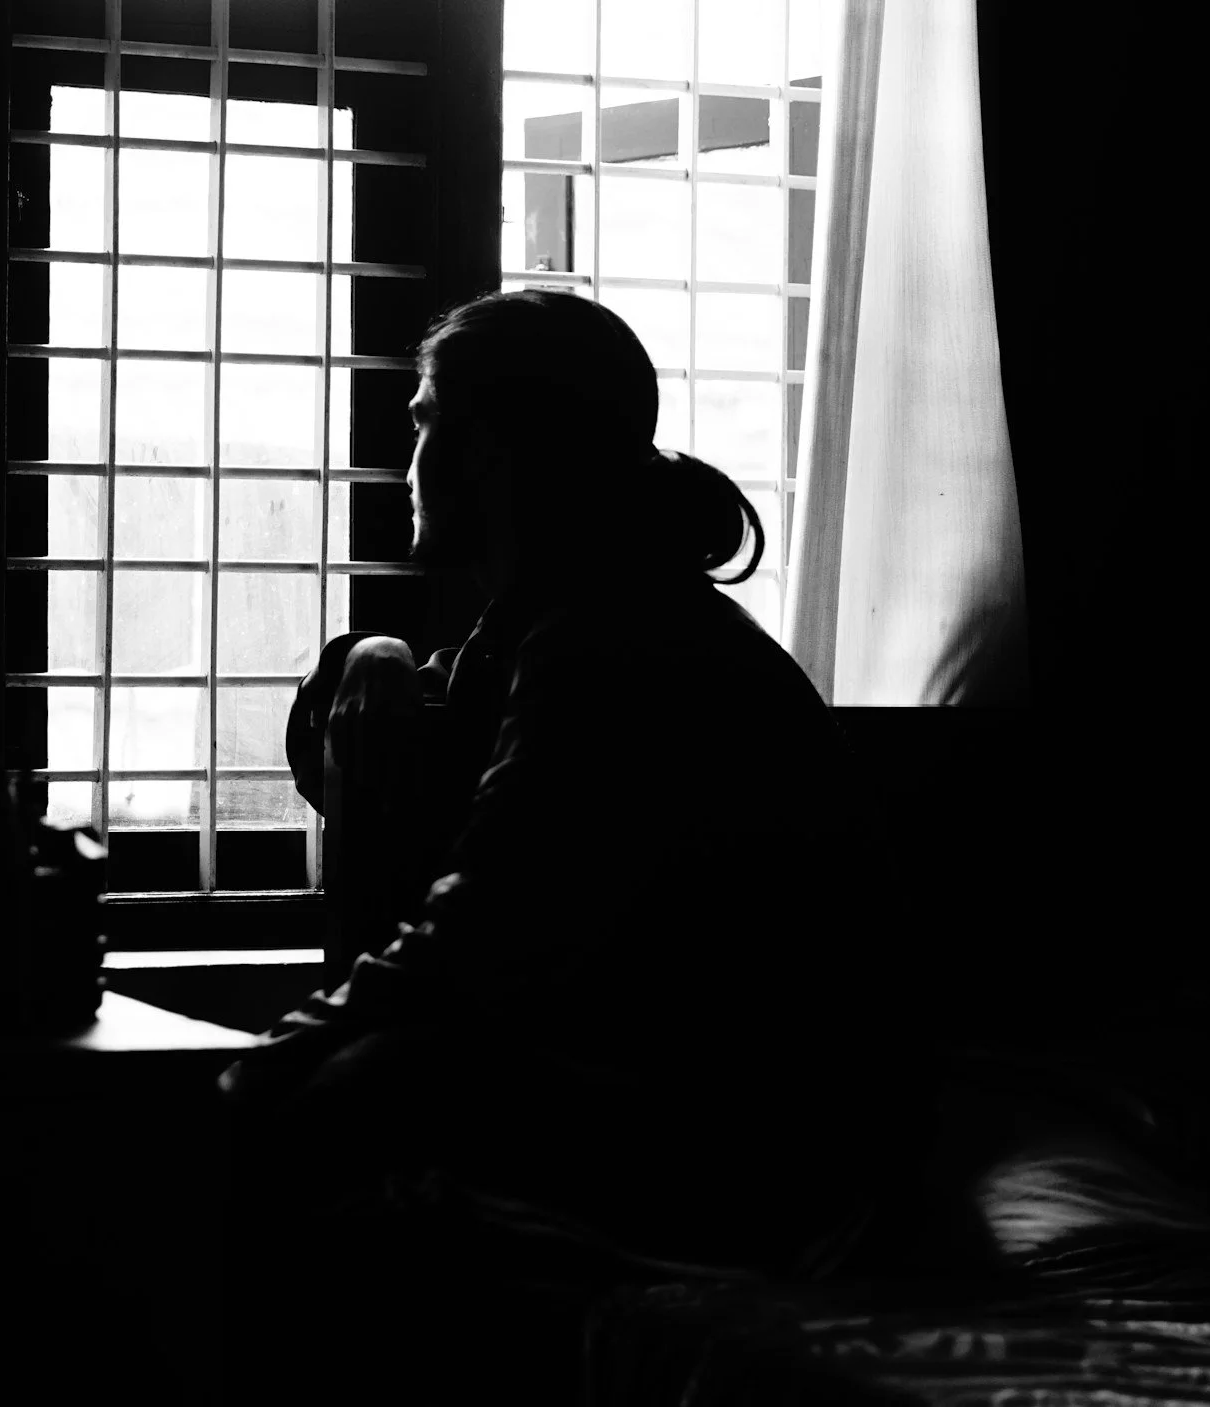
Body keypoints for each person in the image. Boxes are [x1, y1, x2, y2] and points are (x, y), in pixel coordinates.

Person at [216, 290, 984, 1405]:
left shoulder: (614, 647)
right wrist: (366, 658)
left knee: (354, 1093)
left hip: (769, 1147)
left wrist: (245, 1073)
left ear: (486, 448)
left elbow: (479, 937)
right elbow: (439, 763)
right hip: (729, 1104)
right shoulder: (586, 617)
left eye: (424, 422)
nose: (406, 463)